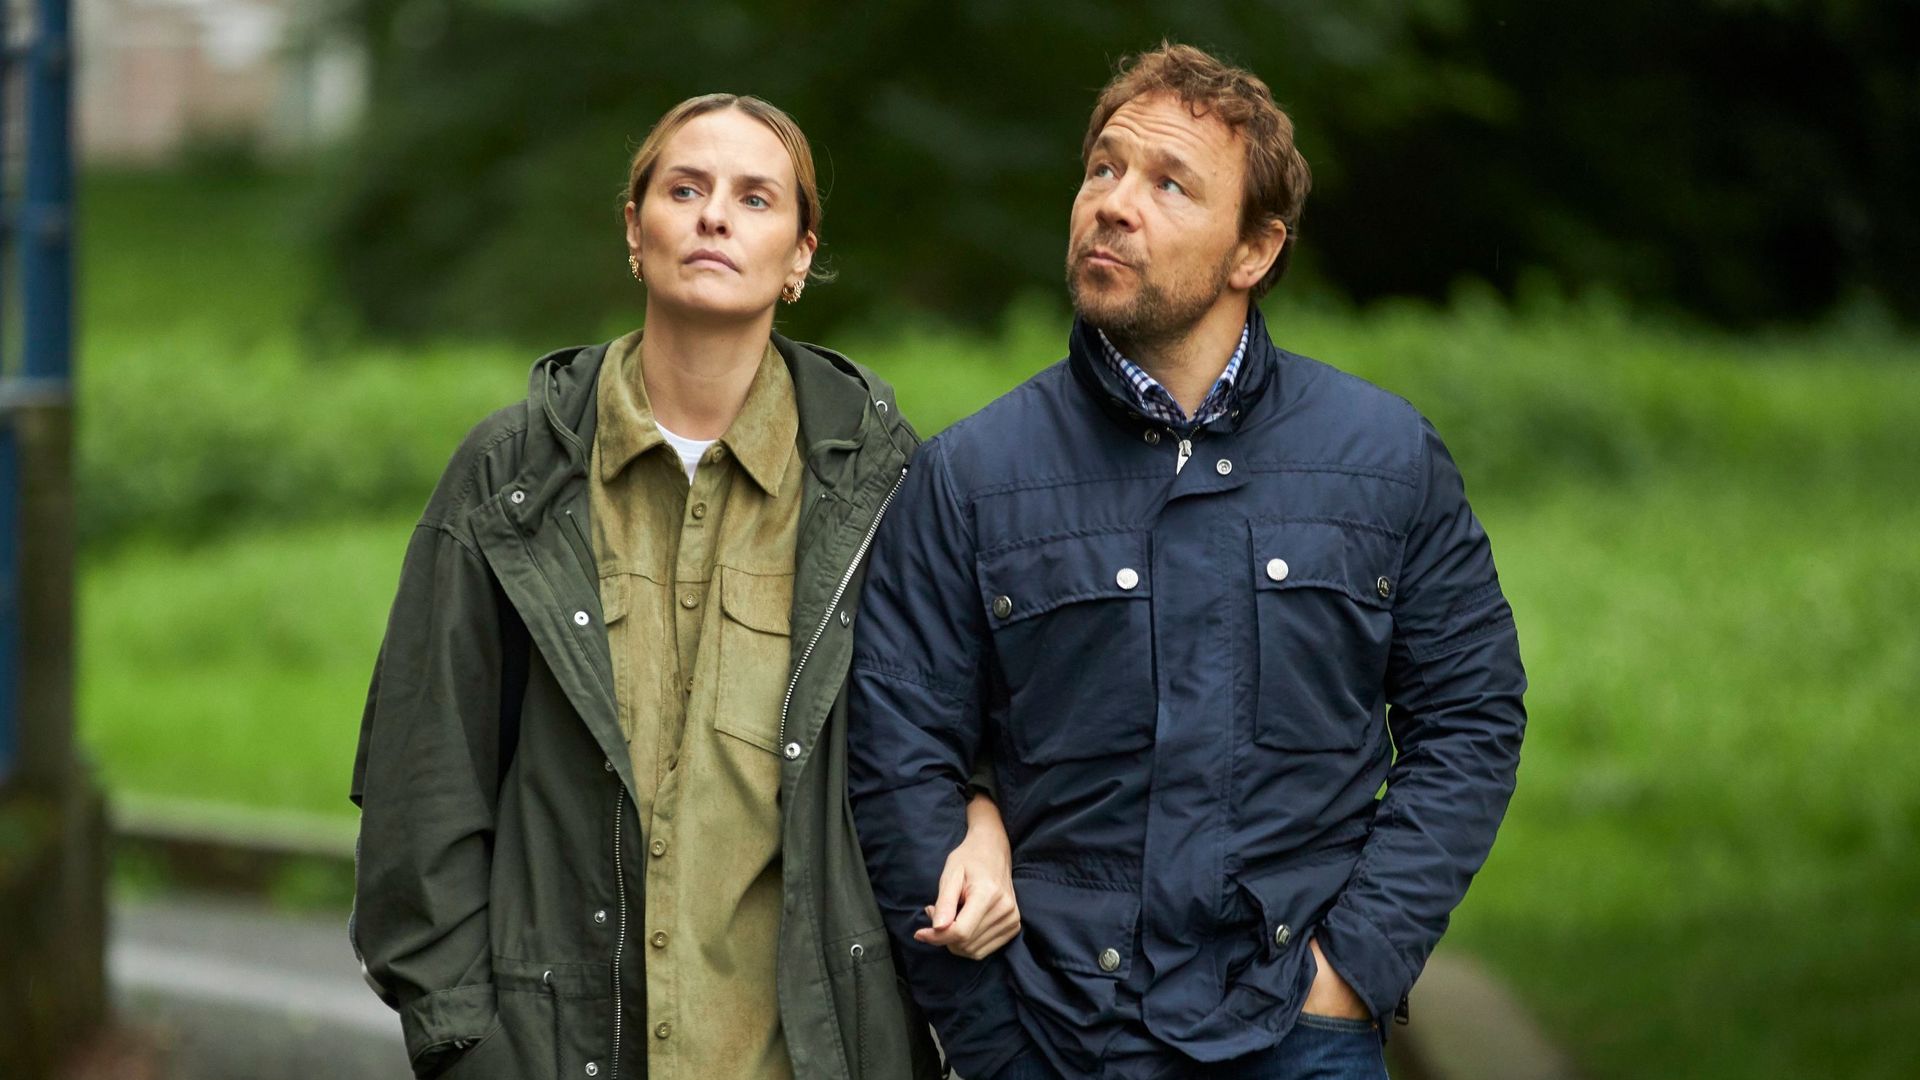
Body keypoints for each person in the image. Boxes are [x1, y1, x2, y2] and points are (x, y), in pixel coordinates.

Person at [848, 43, 1529, 1080]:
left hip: (1302, 1031)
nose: (1114, 204)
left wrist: (1354, 967)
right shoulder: (970, 477)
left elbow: (1470, 717)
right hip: (1058, 1034)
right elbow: (900, 761)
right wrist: (992, 1044)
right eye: (1104, 168)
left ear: (1254, 251)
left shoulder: (1384, 458)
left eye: (1170, 184)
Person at [350, 93, 1018, 1080]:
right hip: (559, 1055)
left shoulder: (879, 485)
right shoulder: (512, 473)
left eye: (755, 198)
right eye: (685, 189)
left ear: (799, 257)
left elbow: (966, 728)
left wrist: (987, 820)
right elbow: (422, 785)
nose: (714, 216)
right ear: (635, 230)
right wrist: (465, 1047)